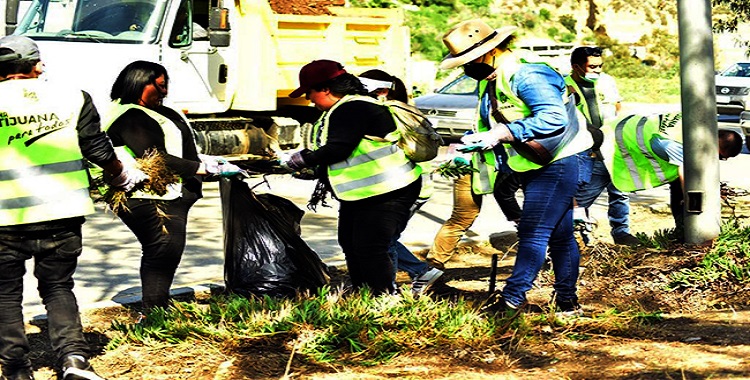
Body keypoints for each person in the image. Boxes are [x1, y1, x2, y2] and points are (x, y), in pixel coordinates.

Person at [0, 35, 147, 380]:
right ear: (38, 66)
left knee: (5, 293)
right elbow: (98, 150)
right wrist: (121, 178)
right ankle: (74, 361)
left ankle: (17, 370)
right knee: (57, 286)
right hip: (61, 214)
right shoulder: (73, 97)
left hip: (4, 220)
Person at [440, 19, 592, 316]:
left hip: (559, 161)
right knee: (560, 236)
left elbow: (553, 119)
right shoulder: (493, 78)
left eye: (469, 60)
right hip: (532, 163)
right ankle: (567, 302)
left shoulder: (527, 73)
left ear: (491, 50)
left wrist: (502, 134)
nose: (466, 68)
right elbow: (495, 123)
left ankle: (511, 300)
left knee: (533, 232)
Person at [104, 60, 241, 310]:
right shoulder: (131, 116)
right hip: (149, 197)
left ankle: (156, 309)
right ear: (139, 83)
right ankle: (153, 313)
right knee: (162, 250)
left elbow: (179, 147)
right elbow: (154, 156)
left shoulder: (157, 111)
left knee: (165, 252)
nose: (165, 92)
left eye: (166, 86)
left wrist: (203, 161)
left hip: (170, 194)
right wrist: (200, 168)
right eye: (159, 86)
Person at [281, 60, 422, 296]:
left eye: (310, 92)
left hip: (389, 189)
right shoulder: (347, 107)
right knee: (350, 243)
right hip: (367, 192)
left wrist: (304, 159)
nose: (309, 99)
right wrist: (314, 170)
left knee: (370, 248)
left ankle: (382, 297)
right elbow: (350, 154)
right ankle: (363, 294)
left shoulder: (352, 108)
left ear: (326, 88)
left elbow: (339, 148)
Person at [358, 69, 443, 294]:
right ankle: (418, 273)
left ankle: (391, 289)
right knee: (382, 238)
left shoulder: (388, 115)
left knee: (383, 240)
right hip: (416, 184)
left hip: (408, 185)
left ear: (383, 92)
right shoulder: (405, 110)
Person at [600, 113, 743, 240]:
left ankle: (682, 231)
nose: (717, 160)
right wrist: (690, 200)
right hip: (608, 147)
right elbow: (685, 173)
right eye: (719, 156)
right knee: (583, 195)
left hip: (617, 137)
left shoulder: (694, 122)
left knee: (677, 186)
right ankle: (580, 222)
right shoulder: (681, 145)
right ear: (716, 145)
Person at [565, 46, 640, 246]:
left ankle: (621, 231)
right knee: (582, 192)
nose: (597, 70)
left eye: (600, 66)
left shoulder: (606, 81)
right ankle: (581, 234)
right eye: (592, 66)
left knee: (619, 189)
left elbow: (616, 106)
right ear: (577, 67)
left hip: (611, 144)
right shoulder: (564, 86)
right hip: (582, 148)